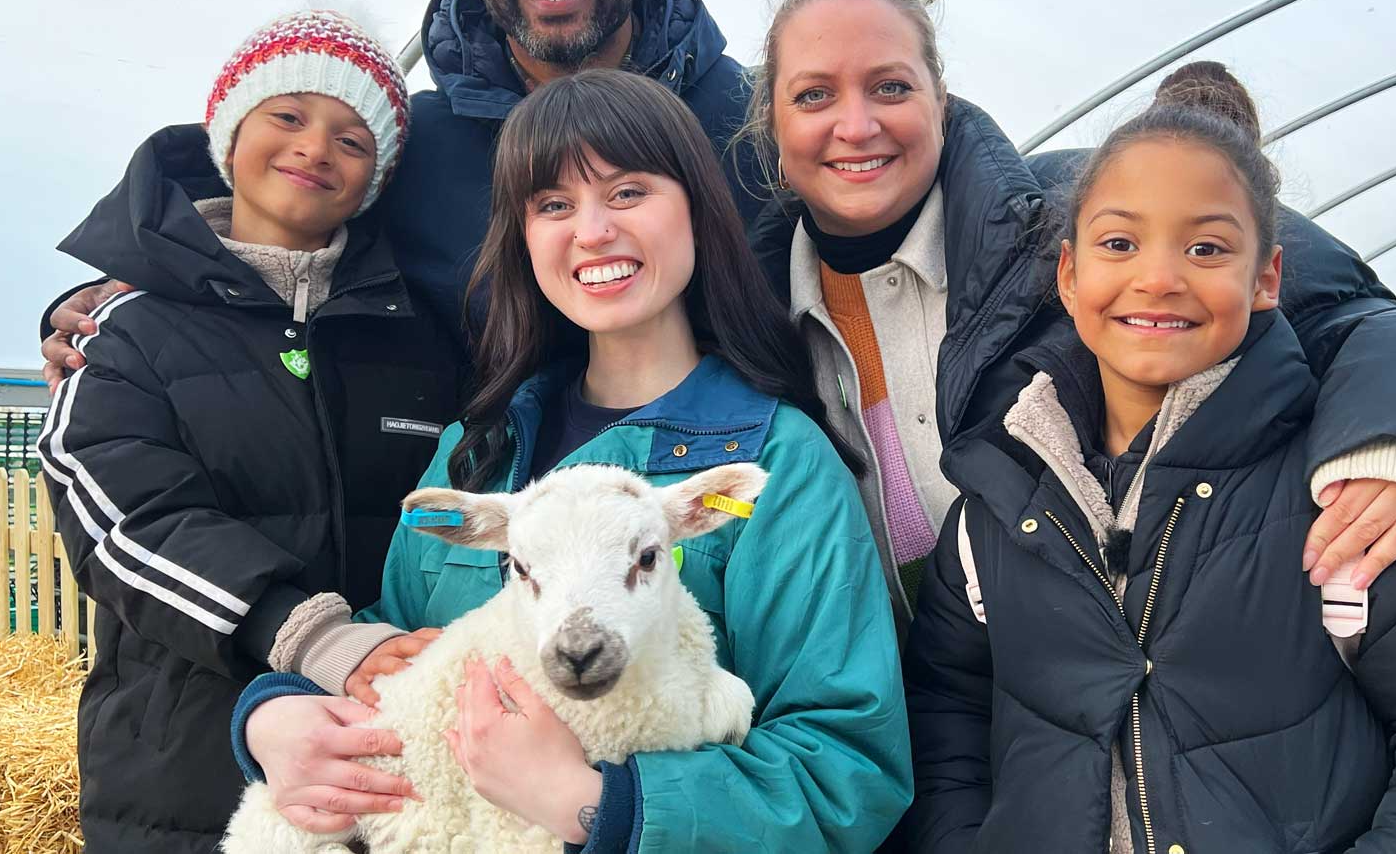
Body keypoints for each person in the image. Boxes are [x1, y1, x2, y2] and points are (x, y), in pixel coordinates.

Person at [738, 0, 1396, 622]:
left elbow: (1348, 316)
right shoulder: (748, 310)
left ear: (941, 98)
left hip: (1104, 694)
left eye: (891, 86)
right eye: (815, 95)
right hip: (923, 730)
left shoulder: (1066, 218)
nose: (856, 125)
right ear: (771, 128)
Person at [234, 69, 910, 850]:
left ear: (696, 208)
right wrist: (276, 714)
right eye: (553, 204)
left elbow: (846, 768)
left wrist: (597, 803)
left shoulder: (772, 465)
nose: (591, 231)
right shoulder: (478, 451)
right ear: (523, 236)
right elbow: (397, 652)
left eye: (628, 192)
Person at [900, 92, 1396, 851]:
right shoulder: (993, 507)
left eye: (1207, 249)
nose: (1157, 278)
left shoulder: (1348, 500)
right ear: (1067, 272)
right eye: (1119, 243)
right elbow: (946, 709)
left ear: (1267, 277)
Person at [41, 0, 762, 384]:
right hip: (484, 520)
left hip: (726, 510)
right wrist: (128, 284)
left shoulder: (748, 119)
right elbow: (271, 215)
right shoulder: (418, 145)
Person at [34, 11, 458, 853]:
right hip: (183, 776)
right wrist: (312, 633)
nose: (316, 148)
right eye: (288, 116)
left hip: (384, 767)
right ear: (230, 137)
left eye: (353, 139)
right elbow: (123, 519)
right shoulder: (128, 330)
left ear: (376, 182)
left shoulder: (420, 341)